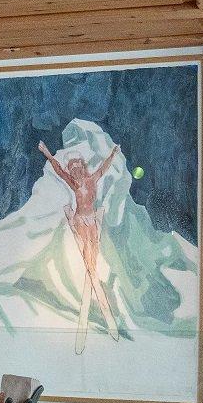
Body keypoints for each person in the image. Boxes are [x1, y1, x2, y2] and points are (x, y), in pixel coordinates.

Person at [38, 140, 124, 352]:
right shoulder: (73, 183)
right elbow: (58, 170)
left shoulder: (92, 179)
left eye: (77, 168)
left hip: (92, 221)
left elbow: (104, 168)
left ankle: (94, 301)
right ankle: (106, 315)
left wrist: (113, 153)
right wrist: (47, 153)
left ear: (83, 168)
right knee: (89, 262)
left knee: (91, 266)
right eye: (72, 169)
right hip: (80, 221)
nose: (74, 171)